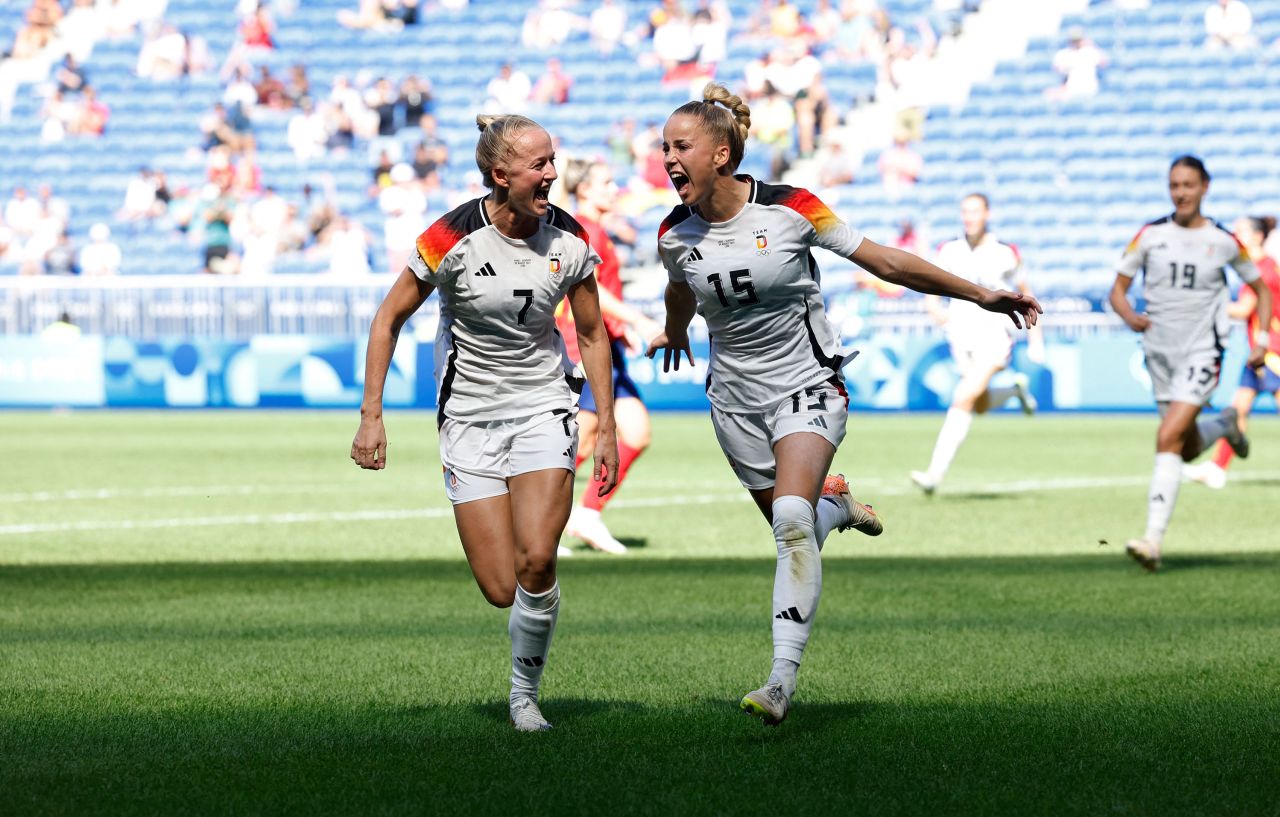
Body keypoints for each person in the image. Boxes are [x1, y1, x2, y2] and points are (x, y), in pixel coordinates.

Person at [647, 83, 1041, 726]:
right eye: (663, 147)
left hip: (807, 383)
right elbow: (678, 288)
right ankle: (841, 508)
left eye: (680, 146)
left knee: (791, 522)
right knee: (796, 522)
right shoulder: (674, 231)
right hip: (733, 402)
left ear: (721, 153)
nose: (667, 157)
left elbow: (884, 261)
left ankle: (779, 682)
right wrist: (677, 328)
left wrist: (979, 294)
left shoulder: (792, 209)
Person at [351, 114, 619, 733]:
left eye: (553, 160)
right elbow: (387, 319)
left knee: (538, 561)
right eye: (539, 164)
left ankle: (524, 697)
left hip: (544, 408)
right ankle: (526, 643)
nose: (553, 173)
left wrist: (602, 423)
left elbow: (591, 332)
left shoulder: (571, 240)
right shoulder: (450, 236)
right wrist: (372, 417)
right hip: (468, 418)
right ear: (501, 175)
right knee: (502, 587)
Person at [1109, 156, 1271, 572]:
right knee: (1184, 445)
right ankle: (1226, 424)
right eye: (1174, 185)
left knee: (1167, 436)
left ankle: (1152, 540)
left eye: (1188, 185)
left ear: (1204, 187)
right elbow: (1118, 291)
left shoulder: (1223, 241)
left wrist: (1263, 338)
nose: (1180, 192)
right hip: (1159, 354)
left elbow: (1262, 290)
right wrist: (1129, 316)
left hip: (1203, 351)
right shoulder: (1149, 236)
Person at [557, 159, 664, 554]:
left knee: (636, 433)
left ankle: (586, 515)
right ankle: (537, 524)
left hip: (607, 346)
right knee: (580, 441)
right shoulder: (584, 230)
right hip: (583, 348)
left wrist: (619, 333)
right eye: (607, 182)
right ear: (583, 189)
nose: (614, 188)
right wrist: (637, 320)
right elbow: (590, 294)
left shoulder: (597, 230)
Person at [910, 193, 1042, 495]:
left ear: (987, 214)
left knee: (963, 395)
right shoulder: (950, 250)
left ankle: (934, 474)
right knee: (978, 404)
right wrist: (933, 305)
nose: (969, 217)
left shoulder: (1005, 252)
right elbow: (933, 281)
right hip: (961, 335)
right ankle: (1014, 391)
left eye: (975, 211)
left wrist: (1036, 339)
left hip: (994, 336)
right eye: (965, 211)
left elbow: (1026, 292)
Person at [1184, 215, 1279, 489]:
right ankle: (1216, 468)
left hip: (1273, 352)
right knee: (1238, 410)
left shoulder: (1263, 269)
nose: (1236, 238)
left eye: (1242, 232)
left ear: (1258, 236)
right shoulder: (1260, 266)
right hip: (1259, 352)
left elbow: (1242, 310)